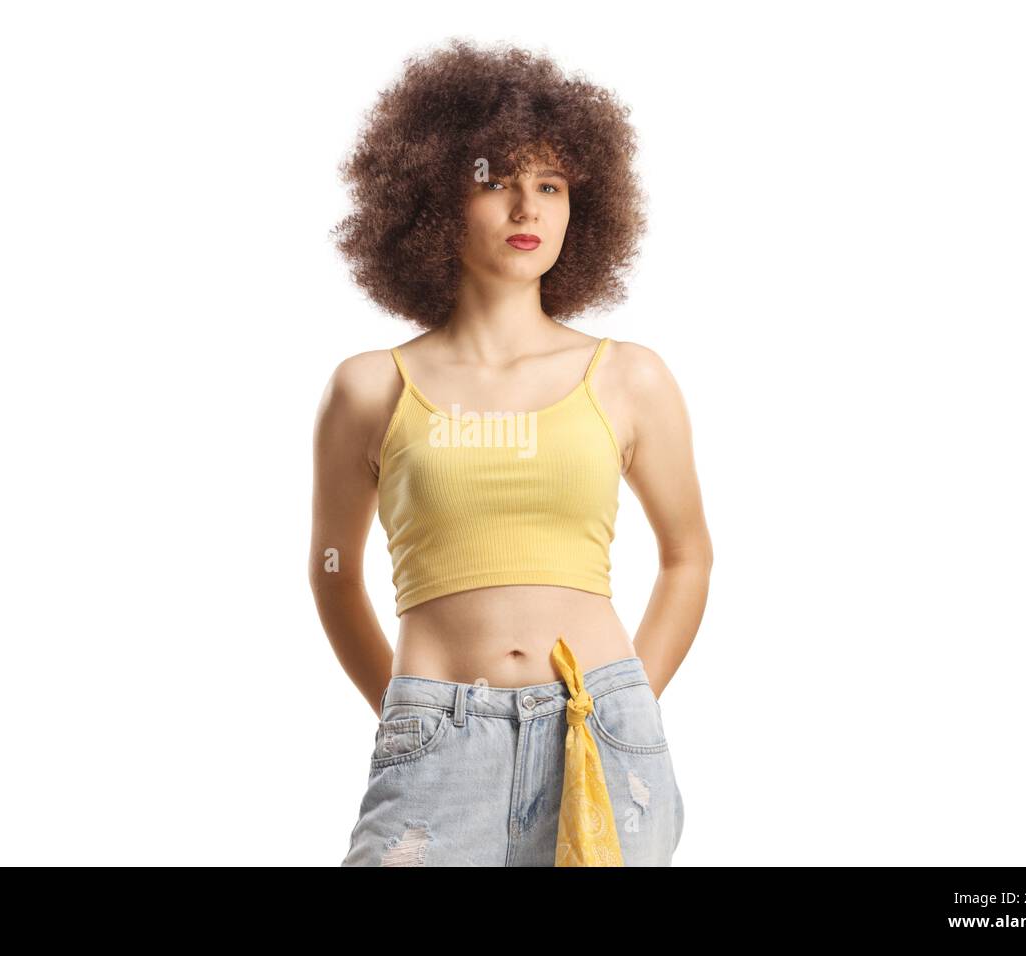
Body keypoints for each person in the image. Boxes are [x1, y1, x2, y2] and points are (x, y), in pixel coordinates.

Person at [312, 38, 713, 866]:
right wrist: (409, 711)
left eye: (551, 186)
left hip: (600, 732)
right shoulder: (369, 390)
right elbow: (332, 569)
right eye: (495, 181)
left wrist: (623, 705)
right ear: (430, 201)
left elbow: (687, 556)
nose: (527, 208)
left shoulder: (628, 378)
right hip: (437, 744)